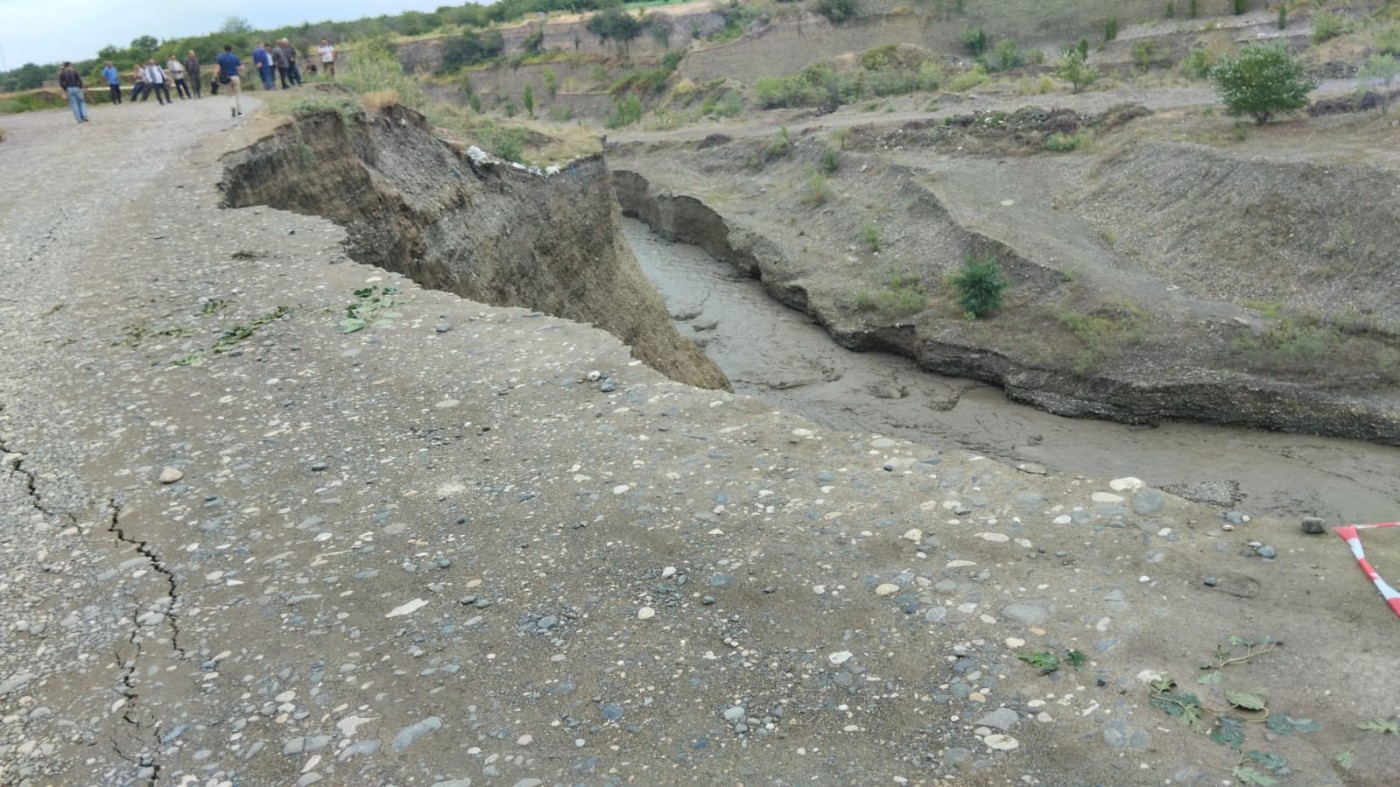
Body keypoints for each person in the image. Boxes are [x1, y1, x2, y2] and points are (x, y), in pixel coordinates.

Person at [215, 44, 244, 117]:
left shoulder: (220, 58)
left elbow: (218, 68)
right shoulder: (235, 57)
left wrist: (214, 76)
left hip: (226, 78)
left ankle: (233, 107)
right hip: (235, 76)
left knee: (229, 95)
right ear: (231, 49)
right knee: (237, 94)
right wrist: (237, 69)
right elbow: (241, 67)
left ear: (224, 49)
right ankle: (239, 111)